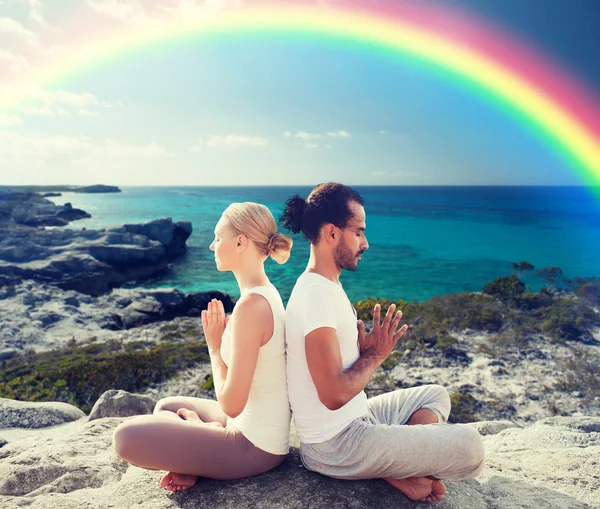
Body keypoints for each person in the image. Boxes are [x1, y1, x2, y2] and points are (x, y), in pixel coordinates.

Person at [281, 183, 485, 503]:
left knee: (436, 395)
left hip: (359, 418)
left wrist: (359, 354)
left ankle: (398, 466)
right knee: (472, 446)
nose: (365, 243)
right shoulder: (315, 295)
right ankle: (397, 465)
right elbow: (332, 395)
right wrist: (374, 356)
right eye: (359, 232)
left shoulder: (326, 286)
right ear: (332, 233)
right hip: (336, 444)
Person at [113, 202, 293, 492]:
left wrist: (214, 345)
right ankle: (197, 450)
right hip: (243, 426)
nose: (211, 246)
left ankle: (199, 446)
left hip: (253, 446)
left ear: (239, 242)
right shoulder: (263, 294)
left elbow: (231, 403)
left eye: (217, 237)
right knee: (168, 406)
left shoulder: (252, 306)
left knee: (125, 437)